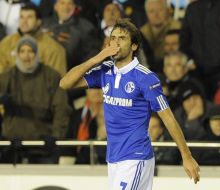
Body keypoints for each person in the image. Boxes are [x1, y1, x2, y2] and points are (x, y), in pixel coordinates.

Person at [60, 19, 200, 189]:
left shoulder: (145, 78)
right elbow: (65, 83)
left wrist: (186, 156)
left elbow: (168, 117)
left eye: (122, 38)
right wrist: (96, 59)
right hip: (113, 157)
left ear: (134, 46)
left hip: (135, 156)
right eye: (113, 38)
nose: (116, 42)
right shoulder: (105, 71)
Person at [0, 36, 71, 163]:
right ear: (17, 54)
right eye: (22, 51)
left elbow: (61, 108)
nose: (26, 56)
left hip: (44, 145)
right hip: (14, 145)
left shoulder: (51, 76)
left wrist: (56, 136)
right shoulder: (7, 77)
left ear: (37, 53)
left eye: (30, 51)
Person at [0, 3, 67, 76]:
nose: (24, 21)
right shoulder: (5, 43)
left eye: (29, 17)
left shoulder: (54, 49)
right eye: (21, 17)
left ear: (38, 21)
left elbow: (58, 81)